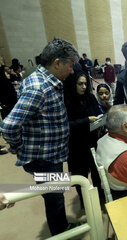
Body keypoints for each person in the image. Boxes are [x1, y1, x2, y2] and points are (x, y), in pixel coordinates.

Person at [0, 38, 80, 235]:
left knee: (56, 194)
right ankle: (61, 233)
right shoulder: (39, 88)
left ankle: (60, 227)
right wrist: (18, 146)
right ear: (57, 63)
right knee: (55, 198)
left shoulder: (47, 80)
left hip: (50, 154)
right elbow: (8, 126)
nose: (72, 71)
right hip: (44, 158)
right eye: (70, 66)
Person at [63, 68, 103, 206]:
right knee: (80, 176)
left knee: (97, 172)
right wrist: (86, 120)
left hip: (92, 141)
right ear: (73, 83)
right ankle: (84, 200)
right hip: (75, 145)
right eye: (80, 84)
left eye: (86, 84)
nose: (84, 87)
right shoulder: (65, 101)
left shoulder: (90, 97)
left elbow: (97, 113)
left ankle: (100, 196)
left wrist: (101, 119)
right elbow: (66, 124)